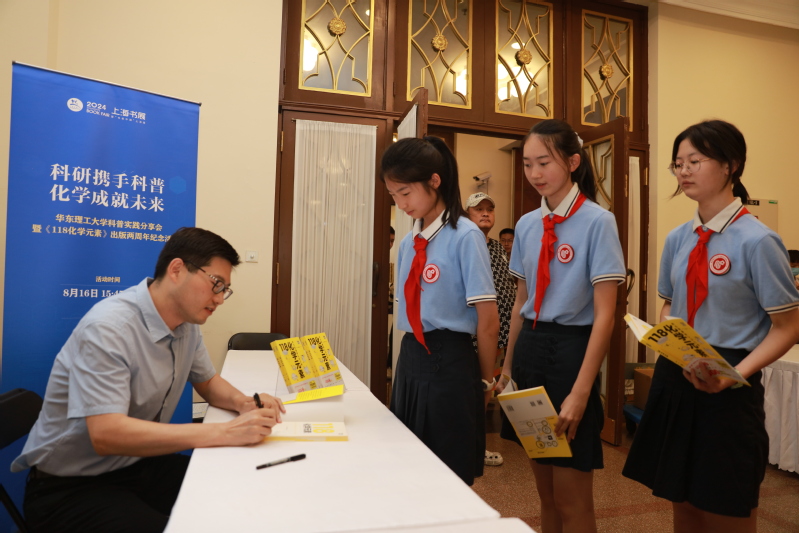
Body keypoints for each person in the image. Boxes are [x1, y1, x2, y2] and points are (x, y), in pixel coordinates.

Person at [12, 227, 287, 533]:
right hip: (71, 488)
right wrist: (223, 432)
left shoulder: (186, 323)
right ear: (177, 269)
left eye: (225, 289)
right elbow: (106, 434)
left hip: (135, 465)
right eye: (216, 284)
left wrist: (244, 403)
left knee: (240, 487)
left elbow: (207, 381)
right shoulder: (109, 328)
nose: (220, 299)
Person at [622, 120, 799, 532]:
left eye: (695, 161)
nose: (683, 171)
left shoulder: (758, 241)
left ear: (730, 165)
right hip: (679, 374)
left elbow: (788, 326)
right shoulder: (678, 238)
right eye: (678, 163)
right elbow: (669, 305)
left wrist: (735, 374)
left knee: (726, 509)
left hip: (729, 385)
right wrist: (672, 339)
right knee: (682, 506)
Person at [495, 119, 626, 532]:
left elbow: (606, 314)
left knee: (573, 499)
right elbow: (520, 302)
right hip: (532, 351)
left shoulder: (598, 221)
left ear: (572, 161)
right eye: (528, 164)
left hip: (573, 356)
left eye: (544, 163)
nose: (535, 173)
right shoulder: (529, 224)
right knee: (545, 496)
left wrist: (581, 392)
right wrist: (507, 368)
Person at [381, 136, 499, 486]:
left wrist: (485, 379)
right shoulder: (408, 242)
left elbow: (488, 320)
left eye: (405, 193)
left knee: (447, 474)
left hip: (451, 362)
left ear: (435, 181)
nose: (400, 204)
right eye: (393, 196)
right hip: (412, 358)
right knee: (409, 466)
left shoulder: (465, 235)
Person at [464, 192, 518, 467]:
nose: (485, 213)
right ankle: (468, 446)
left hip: (502, 333)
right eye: (478, 210)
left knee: (488, 391)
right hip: (472, 335)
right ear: (467, 215)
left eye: (489, 209)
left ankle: (476, 444)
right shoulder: (464, 245)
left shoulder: (499, 248)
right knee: (471, 391)